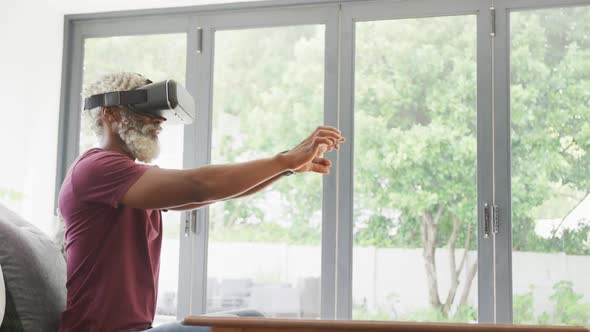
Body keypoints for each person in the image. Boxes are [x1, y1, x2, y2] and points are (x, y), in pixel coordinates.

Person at [57, 72, 345, 332]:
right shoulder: (97, 169)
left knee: (251, 319)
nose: (158, 121)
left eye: (158, 114)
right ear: (109, 115)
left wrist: (288, 167)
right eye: (144, 113)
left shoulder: (127, 178)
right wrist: (284, 160)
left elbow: (213, 193)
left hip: (137, 330)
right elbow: (198, 187)